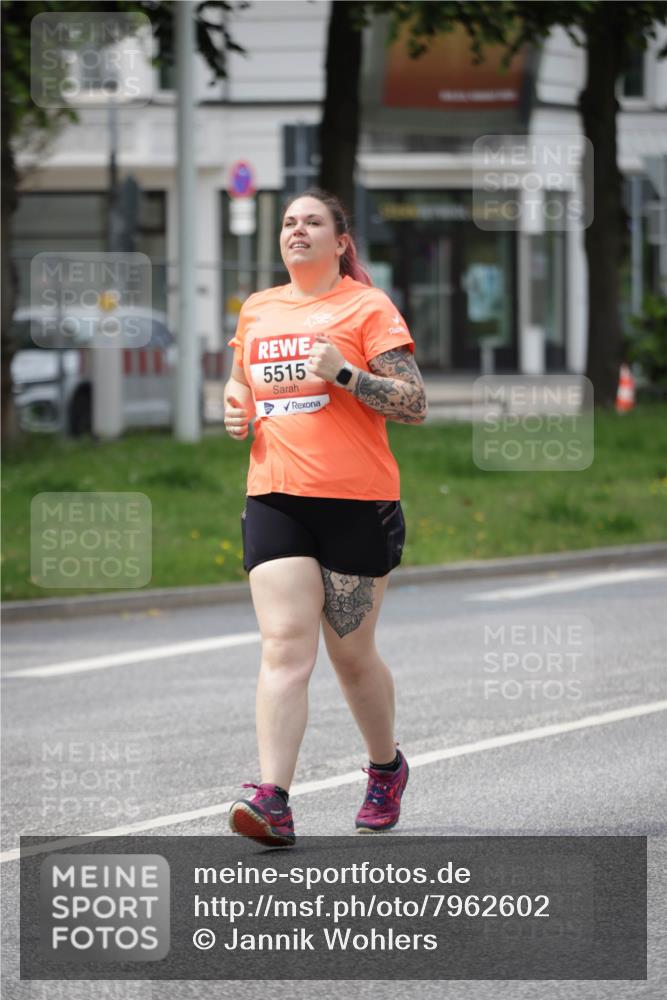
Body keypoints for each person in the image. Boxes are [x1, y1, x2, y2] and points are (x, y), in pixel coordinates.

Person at [223, 189, 427, 847]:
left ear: (341, 242)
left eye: (312, 221)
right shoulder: (258, 308)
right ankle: (273, 799)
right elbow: (239, 382)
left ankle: (384, 767)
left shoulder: (366, 307)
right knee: (283, 645)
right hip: (275, 496)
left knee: (351, 655)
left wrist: (344, 374)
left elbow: (413, 403)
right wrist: (232, 408)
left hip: (356, 503)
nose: (296, 230)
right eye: (287, 222)